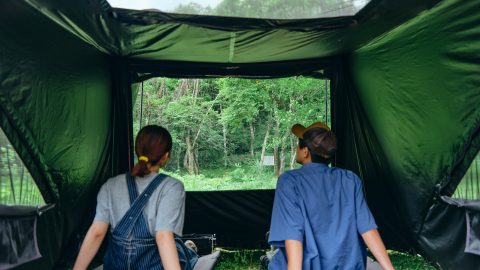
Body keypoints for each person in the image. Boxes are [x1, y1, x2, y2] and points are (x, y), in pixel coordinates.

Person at [268, 122, 394, 270]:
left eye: (298, 144)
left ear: (305, 151)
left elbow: (293, 235)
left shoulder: (289, 181)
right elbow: (367, 228)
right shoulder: (350, 179)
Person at [73, 125, 197, 270]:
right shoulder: (171, 187)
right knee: (178, 248)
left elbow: (96, 232)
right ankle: (190, 250)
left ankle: (189, 249)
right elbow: (163, 237)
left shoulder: (111, 185)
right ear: (165, 157)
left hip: (115, 266)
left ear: (137, 151)